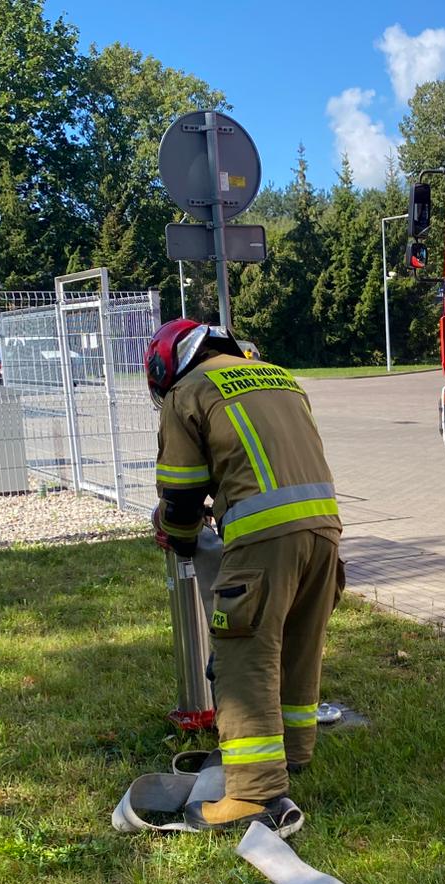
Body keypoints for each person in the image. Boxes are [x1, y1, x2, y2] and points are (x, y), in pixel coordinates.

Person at [146, 319, 343, 835]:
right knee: (299, 645)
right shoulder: (277, 375)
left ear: (166, 367)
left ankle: (254, 793)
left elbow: (182, 492)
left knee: (242, 658)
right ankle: (294, 751)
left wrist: (178, 534)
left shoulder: (187, 392)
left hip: (263, 538)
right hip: (324, 531)